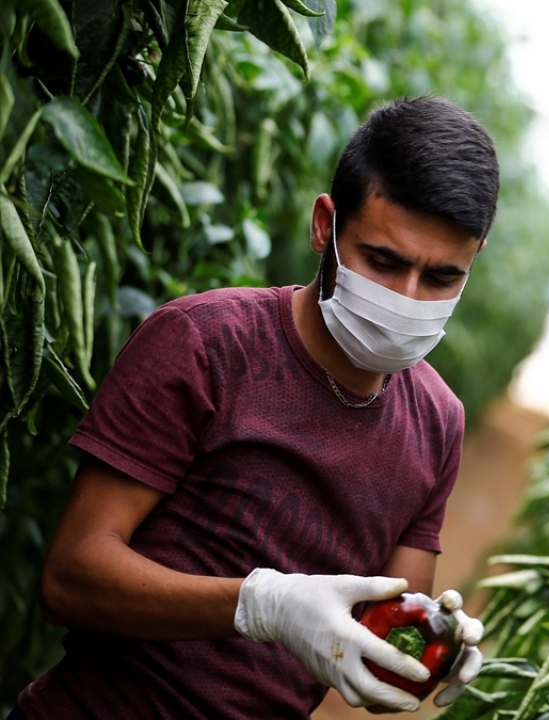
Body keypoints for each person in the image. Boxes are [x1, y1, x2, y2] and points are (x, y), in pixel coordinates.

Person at [12, 95, 498, 719]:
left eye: (440, 278)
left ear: (473, 259)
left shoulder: (437, 423)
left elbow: (379, 652)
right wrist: (259, 605)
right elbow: (70, 577)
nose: (406, 298)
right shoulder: (205, 341)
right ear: (326, 225)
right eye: (384, 261)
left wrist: (436, 648)